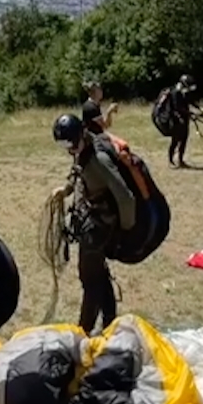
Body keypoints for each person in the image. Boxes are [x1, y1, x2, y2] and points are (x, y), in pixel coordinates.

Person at [50, 114, 136, 335]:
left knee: (90, 279)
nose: (69, 150)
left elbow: (125, 197)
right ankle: (109, 321)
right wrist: (66, 189)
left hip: (100, 226)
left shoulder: (99, 159)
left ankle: (83, 330)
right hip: (92, 219)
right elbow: (78, 171)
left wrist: (126, 229)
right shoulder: (83, 147)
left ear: (79, 135)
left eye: (70, 145)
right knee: (98, 272)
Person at [167, 74, 203, 168]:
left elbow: (190, 101)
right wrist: (192, 113)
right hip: (176, 119)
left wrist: (199, 108)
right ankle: (171, 160)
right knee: (175, 140)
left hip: (184, 119)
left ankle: (180, 160)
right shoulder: (175, 92)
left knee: (184, 140)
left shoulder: (184, 92)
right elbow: (178, 108)